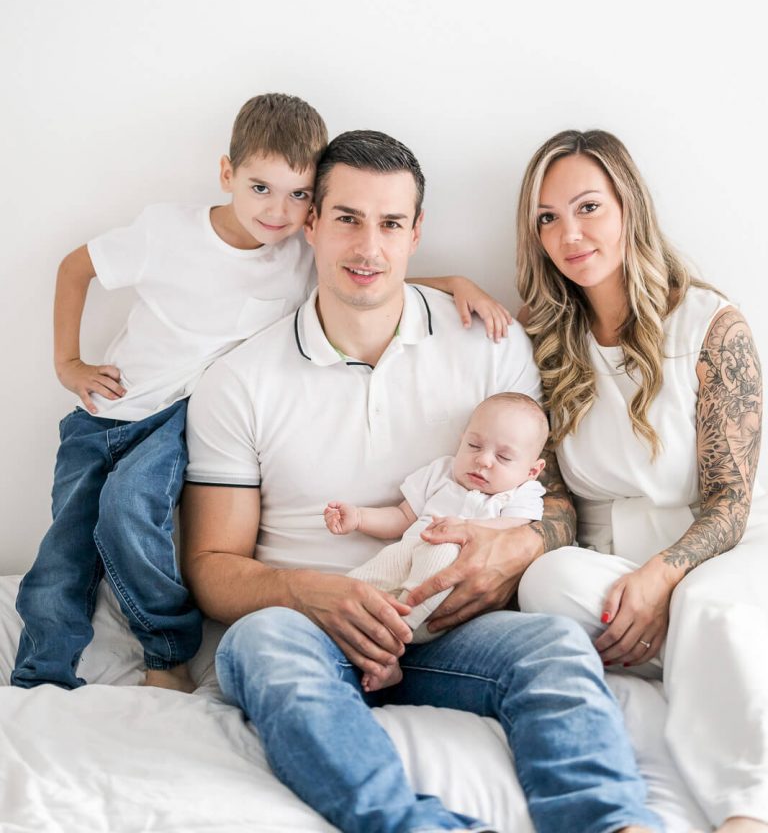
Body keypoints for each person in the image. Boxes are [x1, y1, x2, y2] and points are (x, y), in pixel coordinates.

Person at [181, 128, 662, 833]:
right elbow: (211, 566)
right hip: (308, 632)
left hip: (446, 628)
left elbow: (552, 501)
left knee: (553, 646)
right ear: (311, 223)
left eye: (390, 223)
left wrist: (517, 549)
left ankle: (612, 823)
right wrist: (306, 593)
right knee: (258, 644)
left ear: (416, 232)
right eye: (347, 219)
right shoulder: (238, 380)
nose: (368, 247)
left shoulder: (488, 343)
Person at [12, 91, 512, 696]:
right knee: (65, 547)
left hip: (172, 419)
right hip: (109, 411)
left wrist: (454, 281)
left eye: (297, 195)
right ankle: (40, 673)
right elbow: (76, 267)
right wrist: (68, 363)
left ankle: (165, 653)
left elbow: (371, 273)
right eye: (260, 188)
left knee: (128, 509)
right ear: (228, 174)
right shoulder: (169, 233)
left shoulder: (298, 256)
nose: (277, 211)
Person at [514, 128, 768, 833]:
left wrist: (663, 578)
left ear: (629, 205)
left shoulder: (710, 325)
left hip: (719, 553)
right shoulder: (545, 339)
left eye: (588, 207)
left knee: (707, 608)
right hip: (612, 571)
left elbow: (731, 501)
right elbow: (556, 497)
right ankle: (684, 667)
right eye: (547, 218)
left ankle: (745, 812)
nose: (569, 234)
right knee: (545, 582)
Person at [324, 391, 547, 690]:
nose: (482, 460)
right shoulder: (441, 472)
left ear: (532, 471)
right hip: (409, 550)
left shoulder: (522, 492)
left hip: (452, 578)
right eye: (474, 445)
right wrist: (359, 517)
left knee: (441, 551)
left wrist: (468, 527)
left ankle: (392, 642)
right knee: (359, 584)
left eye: (503, 457)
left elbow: (516, 526)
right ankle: (346, 630)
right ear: (461, 440)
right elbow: (402, 516)